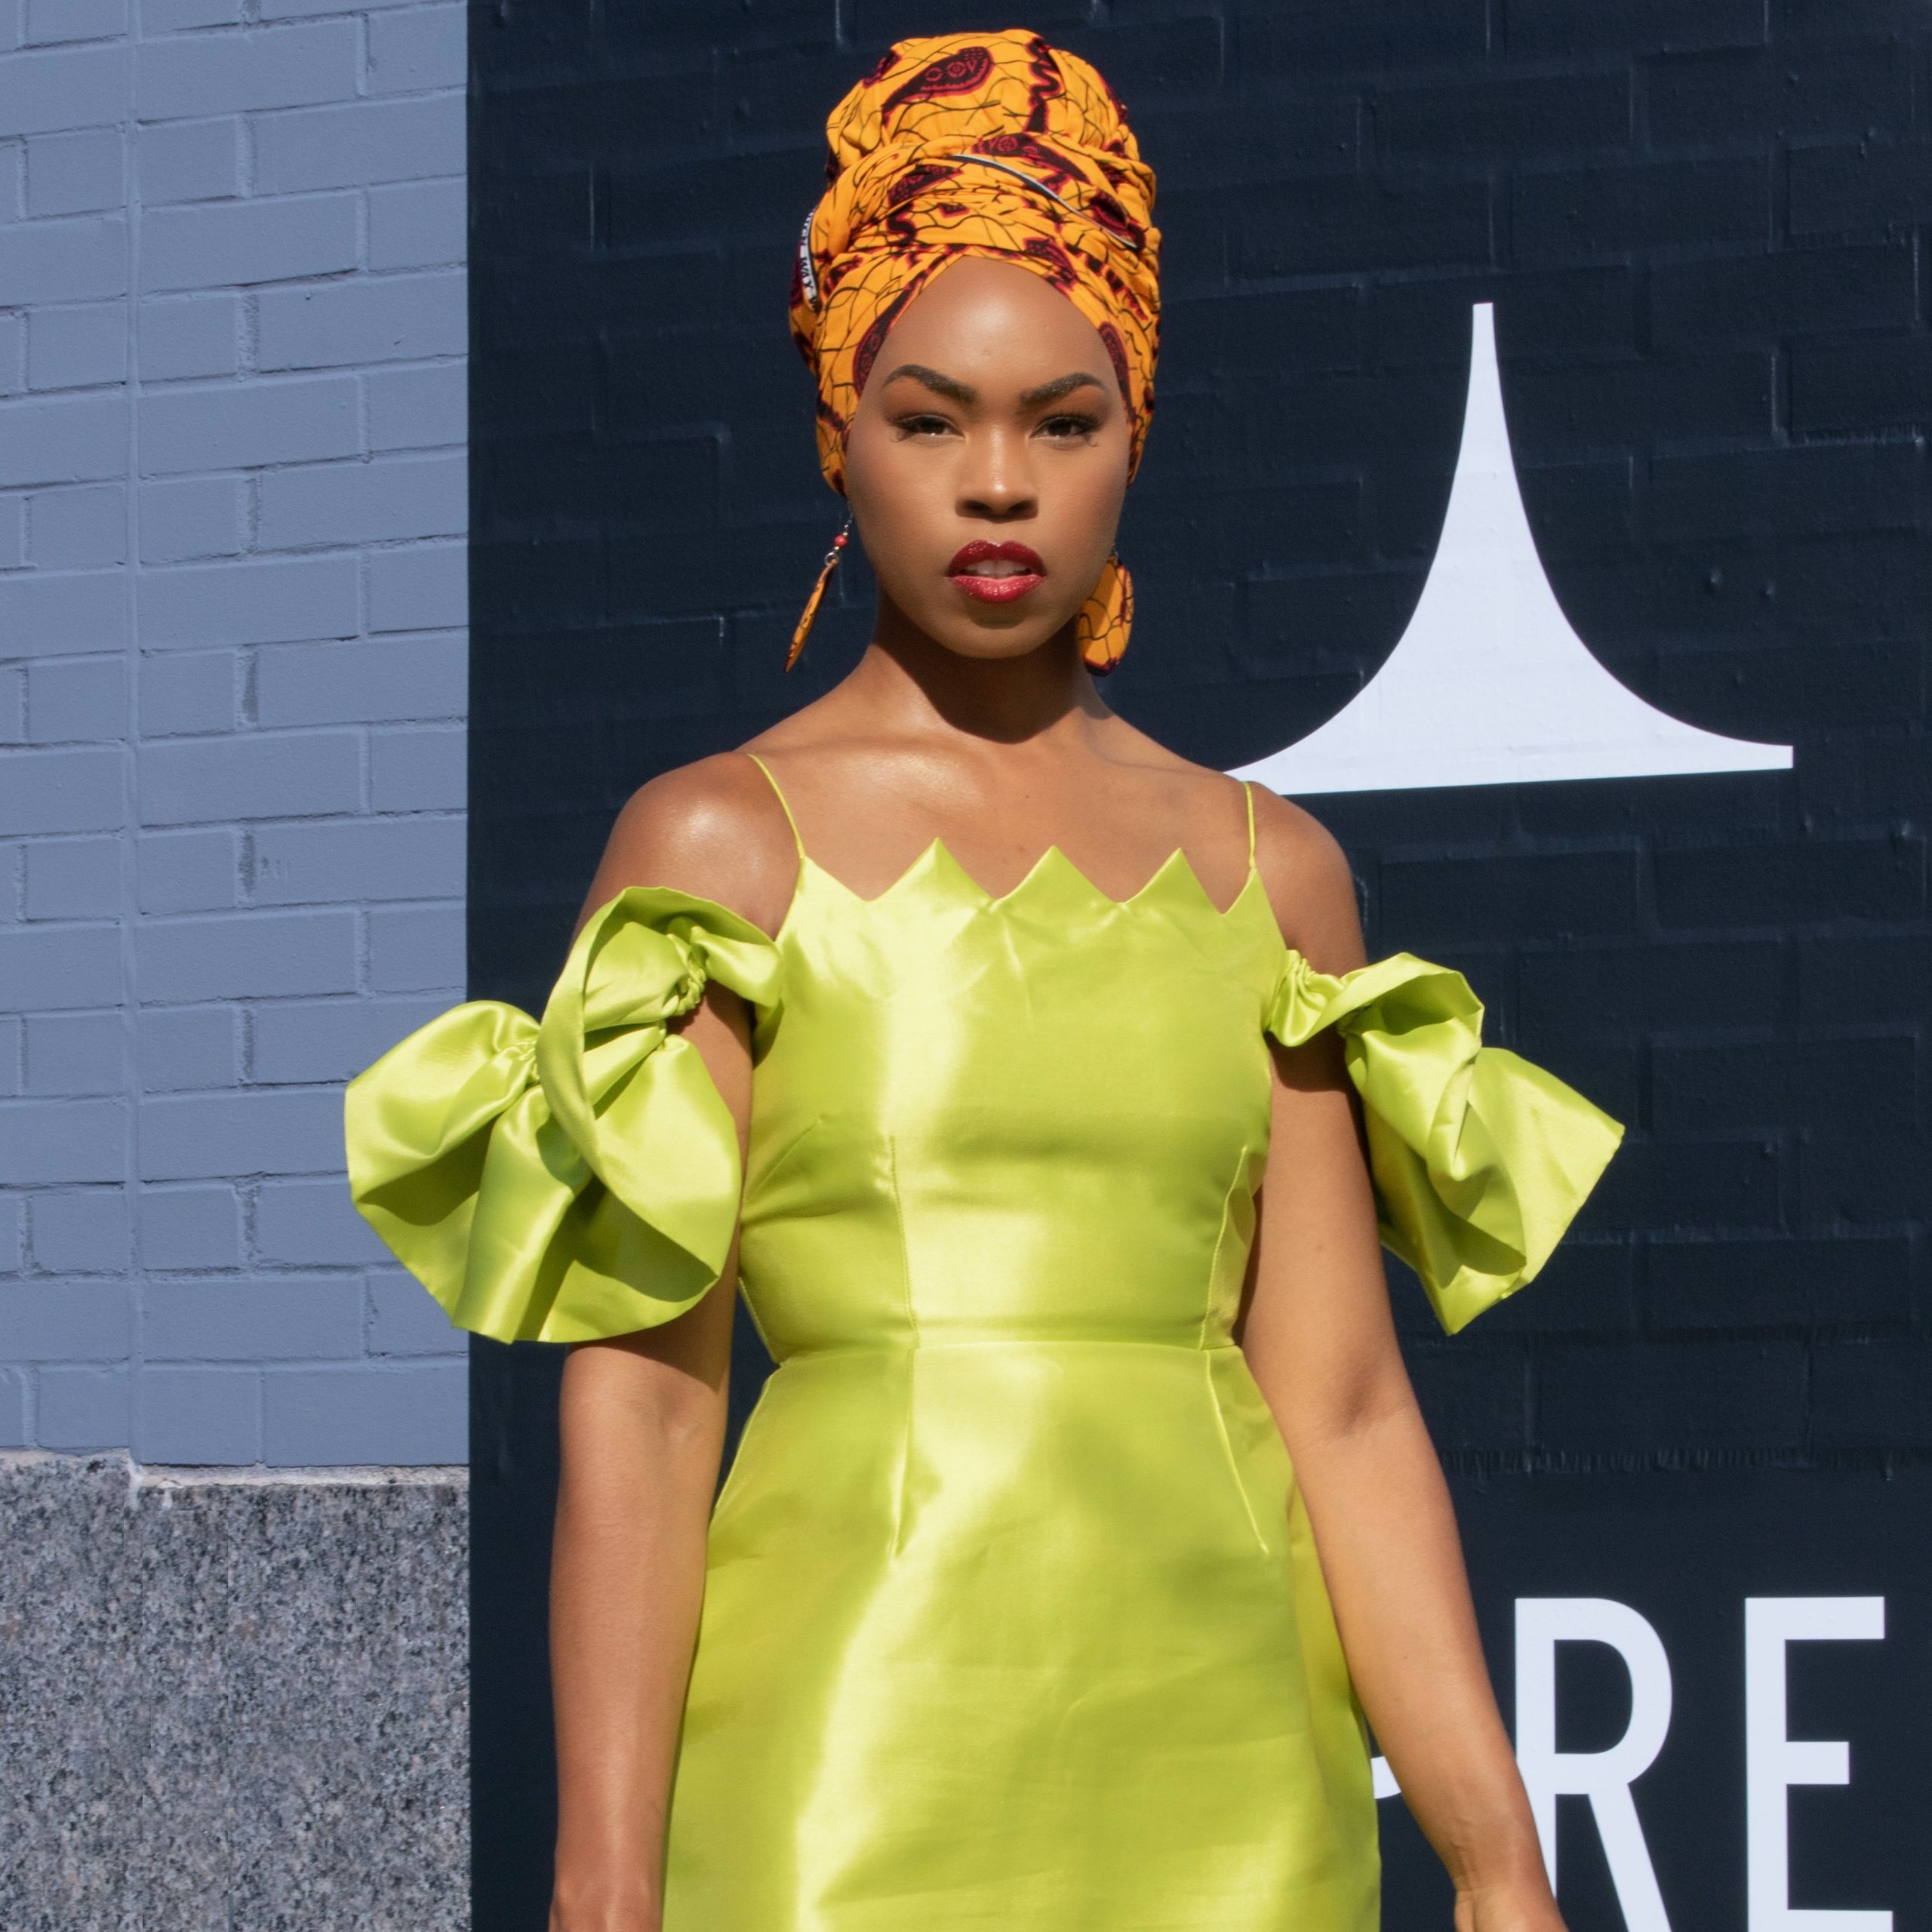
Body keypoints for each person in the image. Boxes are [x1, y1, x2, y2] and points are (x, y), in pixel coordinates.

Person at [346, 31, 1623, 1932]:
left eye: (1063, 420)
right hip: (840, 1761)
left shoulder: (1274, 874)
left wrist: (1496, 1860)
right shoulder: (718, 844)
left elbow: (1347, 1409)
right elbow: (647, 1407)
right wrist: (600, 1878)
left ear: (1137, 432)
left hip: (1228, 1773)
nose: (998, 485)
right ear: (836, 435)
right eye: (929, 420)